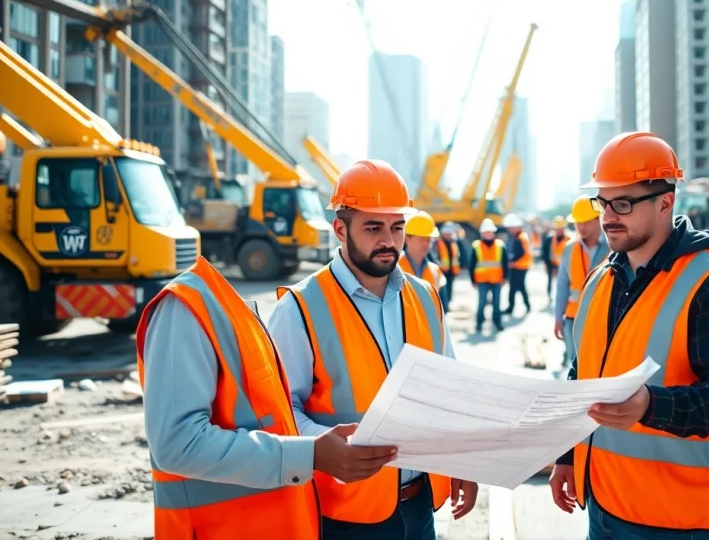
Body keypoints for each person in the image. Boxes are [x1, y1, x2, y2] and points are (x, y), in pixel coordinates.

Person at [548, 132, 709, 539]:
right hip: (605, 502)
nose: (608, 216)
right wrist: (567, 455)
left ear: (666, 202)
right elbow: (584, 371)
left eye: (624, 203)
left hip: (678, 519)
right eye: (603, 202)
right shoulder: (603, 280)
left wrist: (651, 405)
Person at [268, 159, 478, 540]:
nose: (388, 240)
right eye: (373, 227)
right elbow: (278, 412)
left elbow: (449, 388)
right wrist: (322, 446)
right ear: (339, 229)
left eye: (397, 228)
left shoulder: (425, 296)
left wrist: (462, 458)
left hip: (418, 507)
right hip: (343, 514)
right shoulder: (298, 309)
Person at [136, 256, 397, 538]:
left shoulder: (226, 305)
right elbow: (177, 444)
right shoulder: (184, 307)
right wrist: (309, 455)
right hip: (218, 529)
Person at [553, 196, 609, 367]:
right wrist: (557, 318)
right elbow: (562, 285)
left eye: (585, 222)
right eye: (578, 223)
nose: (581, 227)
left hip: (603, 319)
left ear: (597, 219)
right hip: (573, 318)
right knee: (575, 365)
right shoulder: (569, 249)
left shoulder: (612, 246)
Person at [469, 218, 509, 333]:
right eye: (486, 232)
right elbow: (472, 264)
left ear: (494, 233)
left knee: (497, 304)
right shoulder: (476, 245)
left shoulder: (500, 245)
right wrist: (473, 280)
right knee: (481, 303)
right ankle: (479, 323)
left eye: (490, 232)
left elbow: (505, 263)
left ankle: (497, 322)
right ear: (482, 233)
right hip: (481, 280)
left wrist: (505, 277)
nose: (488, 234)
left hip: (497, 279)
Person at [400, 210, 446, 295]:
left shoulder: (435, 271)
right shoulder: (394, 268)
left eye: (428, 240)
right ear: (407, 239)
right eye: (421, 239)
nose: (426, 244)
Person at [502, 213, 533, 316]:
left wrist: (512, 262)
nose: (509, 230)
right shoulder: (519, 236)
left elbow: (520, 253)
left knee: (514, 288)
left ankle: (512, 308)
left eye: (511, 227)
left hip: (520, 266)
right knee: (520, 287)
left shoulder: (521, 237)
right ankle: (526, 305)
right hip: (520, 265)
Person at [542, 216, 571, 299]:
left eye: (560, 229)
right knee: (550, 280)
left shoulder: (569, 239)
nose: (559, 231)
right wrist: (548, 264)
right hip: (551, 264)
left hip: (564, 266)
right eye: (557, 229)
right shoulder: (549, 239)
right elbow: (545, 252)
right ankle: (549, 294)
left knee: (563, 282)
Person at [435, 221, 462, 310]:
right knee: (442, 290)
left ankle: (447, 305)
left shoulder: (454, 243)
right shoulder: (438, 243)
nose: (448, 235)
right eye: (446, 233)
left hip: (451, 271)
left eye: (449, 234)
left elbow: (458, 256)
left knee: (450, 289)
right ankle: (443, 306)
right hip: (442, 271)